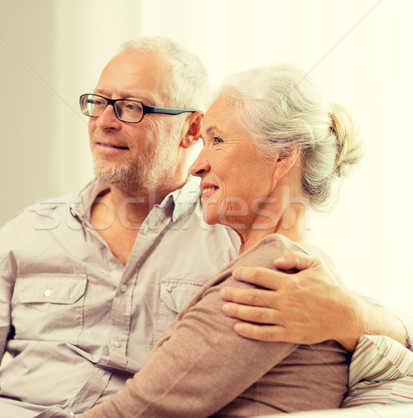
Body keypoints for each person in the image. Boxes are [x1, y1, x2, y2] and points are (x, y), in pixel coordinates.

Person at [0, 37, 413, 418]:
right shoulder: (29, 232)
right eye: (97, 103)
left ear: (190, 128)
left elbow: (349, 315)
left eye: (131, 108)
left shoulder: (235, 238)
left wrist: (348, 314)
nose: (104, 121)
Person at [46, 63, 358, 417]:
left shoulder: (273, 273)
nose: (196, 165)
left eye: (218, 140)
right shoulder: (303, 271)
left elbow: (138, 411)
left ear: (283, 156)